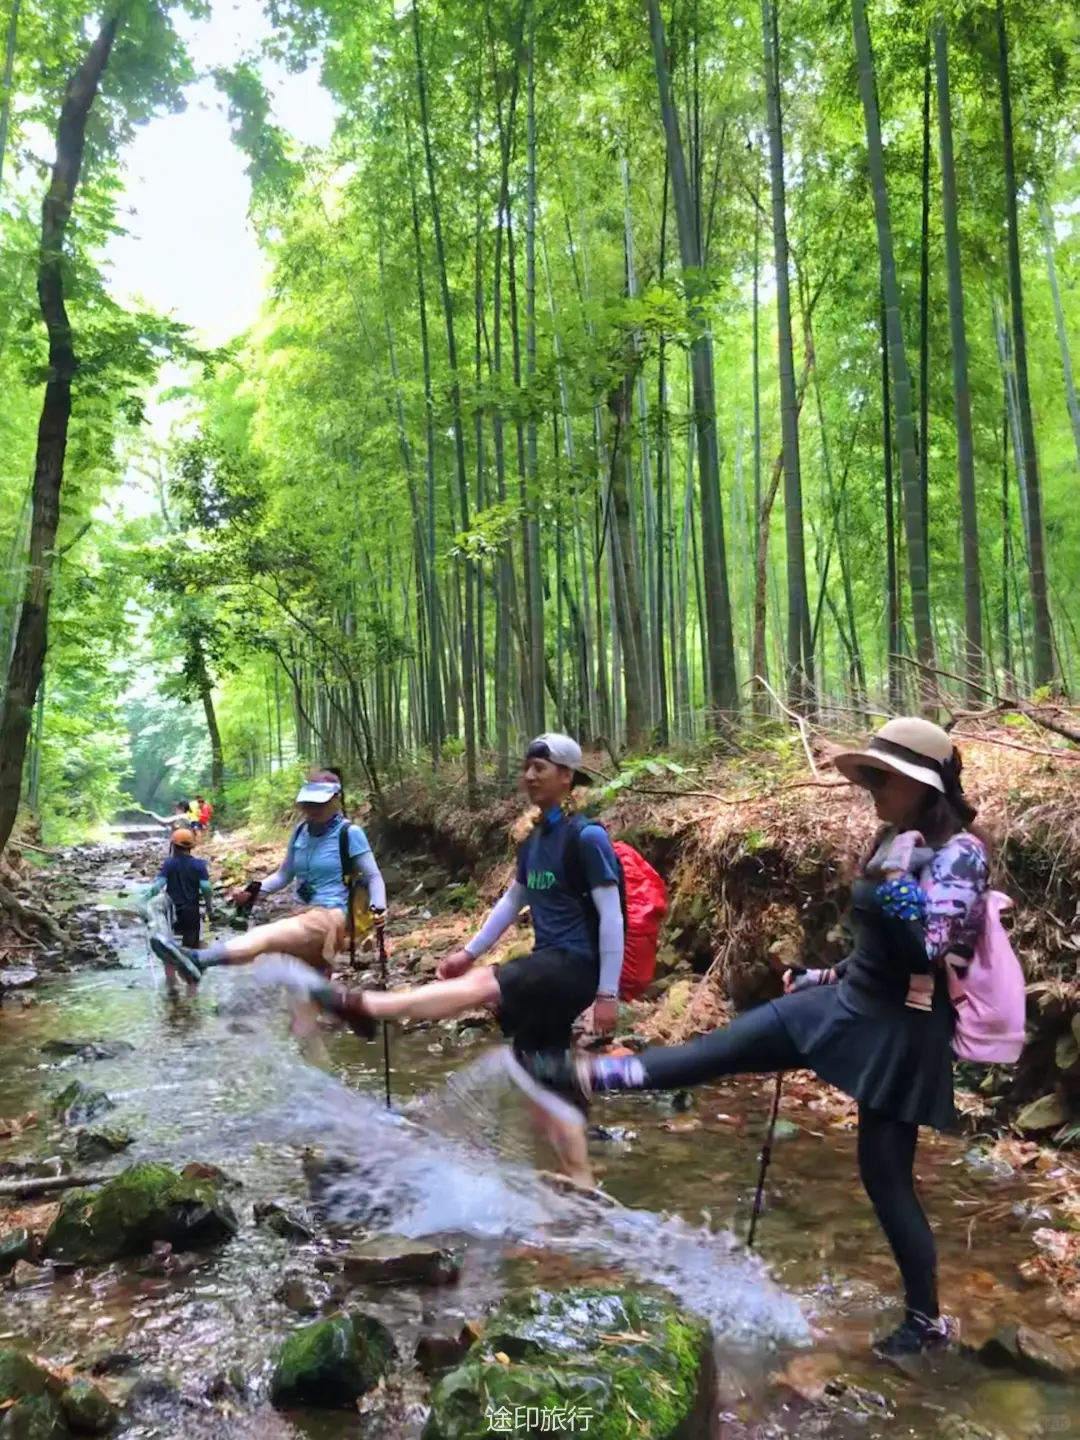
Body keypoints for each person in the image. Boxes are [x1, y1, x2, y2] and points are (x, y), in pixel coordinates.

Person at [517, 718, 990, 1359]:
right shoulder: (890, 838)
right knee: (733, 1044)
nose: (870, 787)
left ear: (920, 784)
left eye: (882, 777)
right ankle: (587, 1074)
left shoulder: (962, 853)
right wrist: (820, 973)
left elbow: (926, 948)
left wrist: (901, 878)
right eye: (870, 775)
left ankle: (924, 1324)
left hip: (901, 1030)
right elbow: (871, 946)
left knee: (886, 1178)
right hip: (847, 1002)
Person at [310, 734, 625, 1188]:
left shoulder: (588, 836)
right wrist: (467, 951)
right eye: (527, 766)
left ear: (567, 776)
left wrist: (607, 993)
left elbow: (612, 916)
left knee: (485, 985)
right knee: (544, 1072)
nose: (530, 775)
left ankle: (368, 1007)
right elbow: (512, 901)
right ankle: (582, 1181)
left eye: (541, 766)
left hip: (574, 965)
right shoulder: (534, 838)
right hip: (548, 964)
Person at [151, 768, 386, 987]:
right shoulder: (300, 832)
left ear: (336, 799)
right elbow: (284, 875)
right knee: (310, 991)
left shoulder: (350, 833)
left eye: (319, 804)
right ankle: (325, 1023)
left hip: (332, 915)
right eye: (308, 804)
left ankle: (200, 958)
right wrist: (254, 891)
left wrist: (379, 906)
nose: (312, 810)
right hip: (302, 910)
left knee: (265, 937)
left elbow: (373, 876)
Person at [139, 829, 215, 991]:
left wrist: (144, 901)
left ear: (173, 845)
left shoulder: (169, 863)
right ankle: (192, 990)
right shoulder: (199, 865)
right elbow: (205, 887)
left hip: (170, 912)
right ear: (191, 846)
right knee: (191, 948)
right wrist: (209, 905)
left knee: (168, 947)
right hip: (191, 911)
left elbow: (158, 885)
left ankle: (171, 985)